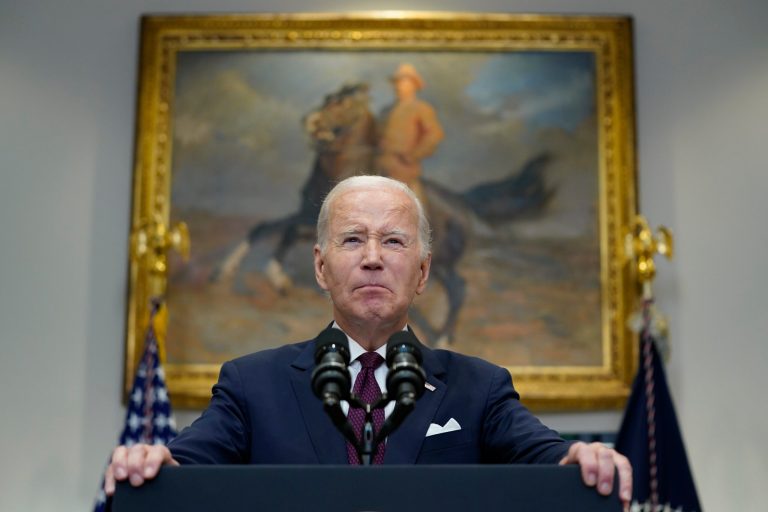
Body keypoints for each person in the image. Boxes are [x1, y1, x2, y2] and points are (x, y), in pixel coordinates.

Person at [104, 176, 632, 507]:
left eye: (394, 241)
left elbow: (548, 458)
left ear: (423, 272)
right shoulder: (251, 385)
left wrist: (583, 457)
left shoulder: (479, 388)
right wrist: (152, 463)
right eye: (353, 239)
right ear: (320, 266)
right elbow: (185, 469)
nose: (373, 257)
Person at [376, 63, 444, 207]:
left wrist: (413, 155)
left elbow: (434, 134)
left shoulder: (421, 108)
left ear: (414, 85)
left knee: (408, 208)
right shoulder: (386, 111)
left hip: (404, 168)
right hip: (380, 166)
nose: (399, 86)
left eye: (403, 82)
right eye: (397, 82)